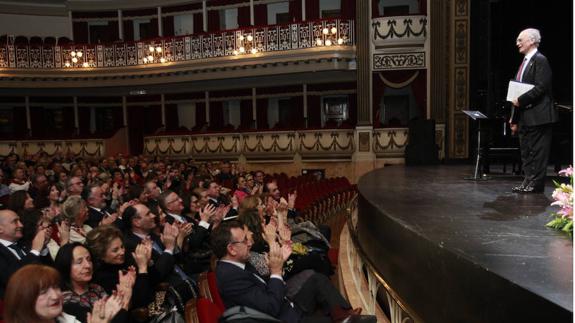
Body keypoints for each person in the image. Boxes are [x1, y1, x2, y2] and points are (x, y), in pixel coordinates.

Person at [211, 221, 375, 323]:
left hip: (287, 304)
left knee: (317, 279)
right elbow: (271, 307)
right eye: (245, 240)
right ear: (231, 249)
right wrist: (276, 270)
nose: (249, 243)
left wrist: (276, 265)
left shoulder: (239, 262)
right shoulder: (229, 276)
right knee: (366, 321)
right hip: (285, 317)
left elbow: (262, 288)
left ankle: (342, 314)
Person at [510, 28, 559, 193]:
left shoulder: (540, 60)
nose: (517, 43)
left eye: (520, 40)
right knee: (527, 151)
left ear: (531, 41)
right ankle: (527, 180)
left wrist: (521, 100)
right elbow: (518, 90)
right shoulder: (525, 62)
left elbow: (541, 87)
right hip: (525, 116)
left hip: (540, 115)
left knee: (538, 152)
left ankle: (536, 184)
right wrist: (514, 119)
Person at [4, 264, 122, 323]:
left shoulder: (69, 315)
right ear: (25, 299)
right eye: (44, 292)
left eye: (55, 287)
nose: (55, 296)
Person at [54, 243, 132, 323]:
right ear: (66, 266)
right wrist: (125, 300)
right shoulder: (66, 301)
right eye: (79, 262)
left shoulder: (96, 288)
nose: (87, 265)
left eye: (89, 259)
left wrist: (123, 296)